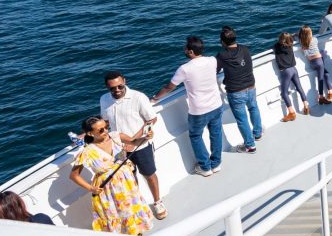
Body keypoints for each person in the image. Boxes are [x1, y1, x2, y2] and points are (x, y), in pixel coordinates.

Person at [151, 36, 223, 177]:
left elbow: (169, 87)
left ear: (190, 52)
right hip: (216, 104)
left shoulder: (184, 69)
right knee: (216, 133)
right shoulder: (212, 60)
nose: (184, 49)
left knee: (196, 136)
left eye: (185, 48)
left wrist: (154, 98)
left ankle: (205, 167)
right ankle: (216, 164)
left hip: (199, 110)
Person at [69, 116, 153, 235]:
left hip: (127, 183)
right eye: (101, 130)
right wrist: (91, 188)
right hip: (108, 190)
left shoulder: (115, 137)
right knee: (118, 215)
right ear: (90, 133)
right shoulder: (87, 152)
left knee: (131, 211)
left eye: (106, 127)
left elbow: (134, 142)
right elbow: (74, 175)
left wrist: (145, 138)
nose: (106, 131)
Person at [100, 71, 167, 220]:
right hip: (118, 149)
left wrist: (133, 141)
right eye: (112, 88)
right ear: (107, 87)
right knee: (128, 179)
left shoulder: (138, 97)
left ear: (124, 81)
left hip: (141, 147)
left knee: (149, 175)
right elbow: (105, 122)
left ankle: (157, 202)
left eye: (120, 86)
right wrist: (87, 132)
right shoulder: (104, 100)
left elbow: (151, 120)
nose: (117, 90)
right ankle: (138, 205)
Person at [216, 26, 262, 154]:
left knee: (242, 119)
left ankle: (250, 145)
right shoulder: (245, 49)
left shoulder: (222, 55)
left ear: (222, 42)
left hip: (236, 91)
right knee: (254, 108)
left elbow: (215, 70)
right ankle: (257, 134)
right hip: (251, 86)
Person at [298, 25, 332, 105]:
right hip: (319, 63)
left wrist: (296, 35)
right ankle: (321, 97)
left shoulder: (301, 42)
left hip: (312, 63)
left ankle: (330, 92)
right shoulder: (314, 39)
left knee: (326, 74)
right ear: (310, 33)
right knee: (320, 79)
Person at [274, 32, 310, 121]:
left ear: (281, 40)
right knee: (299, 88)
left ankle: (291, 113)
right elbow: (293, 38)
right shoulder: (290, 45)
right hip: (294, 69)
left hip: (286, 71)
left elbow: (274, 46)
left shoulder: (277, 46)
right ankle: (306, 106)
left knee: (284, 93)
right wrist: (293, 36)